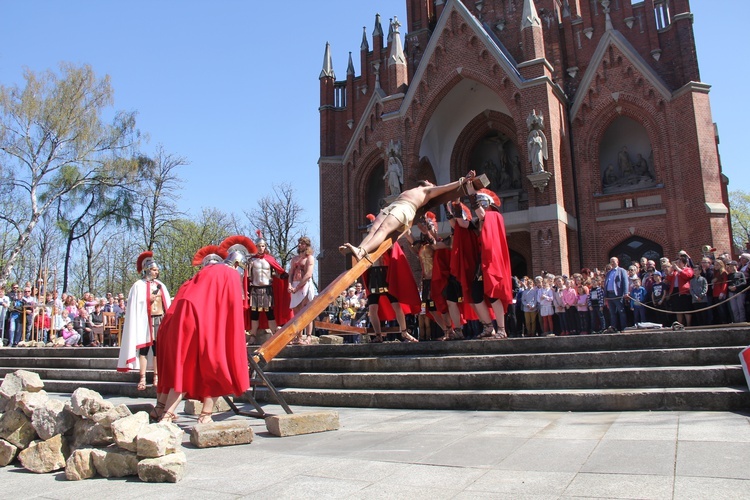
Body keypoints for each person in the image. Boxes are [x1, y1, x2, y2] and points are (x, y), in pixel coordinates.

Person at [156, 245, 250, 424]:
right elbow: (230, 309)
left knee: (184, 368)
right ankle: (205, 416)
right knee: (218, 366)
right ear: (237, 264)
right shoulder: (231, 274)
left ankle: (165, 413)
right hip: (204, 323)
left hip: (181, 320)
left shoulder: (206, 271)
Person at [339, 170, 478, 261]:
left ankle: (363, 251)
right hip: (394, 205)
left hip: (406, 208)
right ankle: (358, 249)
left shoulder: (427, 190)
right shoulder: (416, 188)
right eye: (430, 182)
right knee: (373, 230)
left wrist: (463, 180)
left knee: (383, 229)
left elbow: (446, 188)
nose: (431, 183)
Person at [360, 215, 421, 343]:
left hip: (385, 275)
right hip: (373, 276)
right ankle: (378, 335)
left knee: (396, 305)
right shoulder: (366, 243)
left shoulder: (385, 241)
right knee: (373, 309)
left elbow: (394, 251)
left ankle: (404, 333)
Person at [117, 251, 172, 392]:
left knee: (157, 350)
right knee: (144, 349)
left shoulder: (161, 285)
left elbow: (167, 305)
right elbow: (134, 304)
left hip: (159, 320)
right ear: (147, 270)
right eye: (154, 270)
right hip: (144, 321)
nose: (156, 272)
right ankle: (142, 377)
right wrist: (147, 300)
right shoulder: (138, 286)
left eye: (157, 270)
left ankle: (157, 376)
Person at [466, 187, 513, 339]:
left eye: (482, 202)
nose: (479, 205)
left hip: (492, 259)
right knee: (476, 294)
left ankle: (501, 329)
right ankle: (488, 327)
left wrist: (471, 194)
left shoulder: (494, 216)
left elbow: (482, 214)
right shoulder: (478, 221)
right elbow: (461, 224)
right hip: (481, 261)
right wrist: (452, 205)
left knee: (493, 294)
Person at [244, 232, 291, 344]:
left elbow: (276, 273)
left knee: (270, 313)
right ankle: (253, 336)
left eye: (263, 246)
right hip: (255, 289)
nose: (261, 248)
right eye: (259, 246)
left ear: (265, 247)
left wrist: (284, 276)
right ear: (255, 247)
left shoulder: (270, 260)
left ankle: (275, 335)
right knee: (254, 314)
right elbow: (247, 277)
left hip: (267, 289)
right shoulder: (251, 261)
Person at [288, 236, 316, 345]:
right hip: (295, 284)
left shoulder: (310, 258)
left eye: (302, 243)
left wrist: (298, 287)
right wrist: (290, 285)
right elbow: (290, 273)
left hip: (304, 285)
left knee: (306, 311)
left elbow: (308, 274)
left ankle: (308, 336)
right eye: (299, 243)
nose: (300, 245)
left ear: (307, 245)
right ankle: (298, 336)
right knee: (296, 311)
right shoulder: (294, 259)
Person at [603, 256, 629, 332]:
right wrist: (605, 295)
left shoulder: (622, 271)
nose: (612, 263)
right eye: (611, 261)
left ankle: (623, 328)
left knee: (621, 312)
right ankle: (614, 328)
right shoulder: (609, 273)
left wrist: (626, 292)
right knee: (612, 313)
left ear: (617, 262)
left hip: (618, 294)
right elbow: (606, 284)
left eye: (614, 261)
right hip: (610, 295)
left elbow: (625, 282)